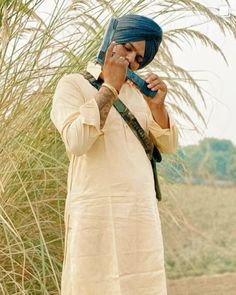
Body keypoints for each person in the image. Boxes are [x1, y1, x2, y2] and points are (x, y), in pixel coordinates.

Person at [50, 14, 178, 295]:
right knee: (92, 284)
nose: (132, 60)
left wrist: (157, 106)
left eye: (139, 57)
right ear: (110, 42)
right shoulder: (73, 85)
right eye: (127, 47)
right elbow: (77, 141)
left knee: (143, 284)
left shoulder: (141, 94)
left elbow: (168, 146)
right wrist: (109, 87)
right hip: (95, 212)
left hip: (139, 214)